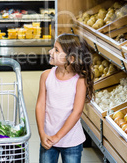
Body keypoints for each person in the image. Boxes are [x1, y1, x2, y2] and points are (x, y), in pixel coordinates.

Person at [36, 33, 95, 163]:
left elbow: (77, 112)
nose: (51, 51)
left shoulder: (79, 81)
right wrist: (42, 133)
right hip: (47, 138)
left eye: (56, 50)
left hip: (72, 141)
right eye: (53, 48)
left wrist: (57, 137)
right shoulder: (46, 76)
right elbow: (40, 105)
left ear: (71, 59)